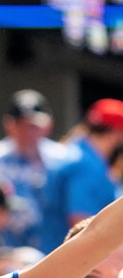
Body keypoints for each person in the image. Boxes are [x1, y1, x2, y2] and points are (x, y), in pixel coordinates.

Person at [0, 89, 70, 250]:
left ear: (48, 125)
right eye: (22, 124)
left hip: (56, 247)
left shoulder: (62, 160)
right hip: (5, 250)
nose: (28, 131)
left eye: (35, 125)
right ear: (9, 125)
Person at [39, 98, 123, 253]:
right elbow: (80, 223)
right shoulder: (86, 166)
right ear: (115, 134)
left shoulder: (75, 152)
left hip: (56, 256)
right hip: (72, 264)